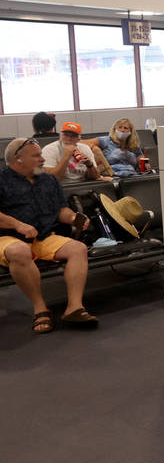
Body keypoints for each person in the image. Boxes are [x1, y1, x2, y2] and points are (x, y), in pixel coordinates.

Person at [0, 138, 96, 332]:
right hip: (7, 238)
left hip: (43, 236)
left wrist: (74, 218)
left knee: (78, 249)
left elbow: (60, 211)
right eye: (36, 156)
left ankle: (74, 308)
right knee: (19, 251)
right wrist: (17, 225)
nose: (43, 159)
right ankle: (40, 309)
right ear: (18, 159)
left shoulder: (48, 180)